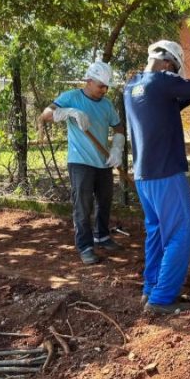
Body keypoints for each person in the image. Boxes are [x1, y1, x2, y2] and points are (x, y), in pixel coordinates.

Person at [124, 40, 190, 314]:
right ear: (165, 63)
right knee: (179, 234)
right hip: (166, 173)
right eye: (175, 68)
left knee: (155, 232)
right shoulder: (162, 81)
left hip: (143, 176)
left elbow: (172, 104)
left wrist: (186, 90)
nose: (175, 73)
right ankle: (162, 299)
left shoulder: (131, 87)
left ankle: (150, 289)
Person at [40, 60, 126, 265]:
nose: (104, 90)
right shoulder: (71, 97)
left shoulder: (106, 105)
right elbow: (45, 115)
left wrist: (117, 149)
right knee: (83, 205)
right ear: (89, 81)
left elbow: (119, 128)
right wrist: (69, 112)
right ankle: (85, 246)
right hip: (80, 162)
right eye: (100, 86)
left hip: (103, 161)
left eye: (106, 86)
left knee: (104, 201)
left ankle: (102, 236)